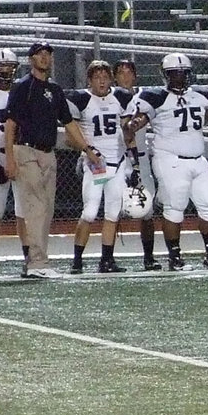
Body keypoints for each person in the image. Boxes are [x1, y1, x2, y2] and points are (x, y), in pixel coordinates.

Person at [124, 53, 208, 271]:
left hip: (198, 158)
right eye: (174, 74)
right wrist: (133, 125)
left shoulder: (199, 95)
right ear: (165, 76)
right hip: (170, 159)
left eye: (182, 73)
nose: (179, 78)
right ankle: (174, 258)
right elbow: (142, 119)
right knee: (175, 208)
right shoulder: (155, 97)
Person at [4, 42, 105, 279]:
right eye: (40, 54)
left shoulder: (55, 90)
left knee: (47, 209)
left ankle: (37, 261)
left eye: (48, 54)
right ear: (31, 59)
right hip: (26, 151)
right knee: (37, 207)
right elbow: (11, 125)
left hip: (48, 153)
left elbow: (69, 123)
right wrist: (10, 157)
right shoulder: (22, 87)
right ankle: (38, 262)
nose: (45, 58)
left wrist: (87, 149)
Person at [65, 61, 136, 274]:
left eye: (105, 76)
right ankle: (77, 260)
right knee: (89, 212)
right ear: (89, 80)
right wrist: (87, 151)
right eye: (97, 77)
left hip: (118, 161)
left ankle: (107, 260)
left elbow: (127, 132)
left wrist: (134, 160)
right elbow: (70, 138)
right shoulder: (81, 99)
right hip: (95, 163)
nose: (102, 80)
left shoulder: (122, 97)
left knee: (113, 213)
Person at [114, 58, 163, 270]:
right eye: (121, 72)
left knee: (147, 210)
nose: (125, 76)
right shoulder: (109, 97)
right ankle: (108, 256)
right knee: (112, 210)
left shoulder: (145, 98)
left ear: (135, 75)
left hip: (141, 157)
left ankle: (149, 256)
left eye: (128, 72)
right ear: (115, 76)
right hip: (116, 157)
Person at [0, 49, 25, 262]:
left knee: (24, 211)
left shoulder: (23, 93)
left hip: (21, 155)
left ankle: (29, 257)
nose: (6, 72)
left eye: (10, 68)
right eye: (1, 68)